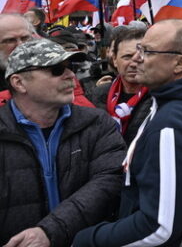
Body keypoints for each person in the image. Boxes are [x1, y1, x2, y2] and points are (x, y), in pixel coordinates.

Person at [73, 19, 182, 247]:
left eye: (147, 51)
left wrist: (87, 240)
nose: (137, 58)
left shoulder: (173, 124)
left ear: (180, 62)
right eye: (139, 49)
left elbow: (159, 228)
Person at [1, 38, 126, 246]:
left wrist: (49, 231)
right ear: (19, 82)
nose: (70, 75)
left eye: (71, 67)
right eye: (56, 69)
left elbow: (110, 180)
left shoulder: (96, 123)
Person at [90, 27, 150, 145]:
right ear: (115, 60)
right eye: (127, 56)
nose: (134, 63)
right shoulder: (99, 94)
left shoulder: (160, 97)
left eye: (141, 56)